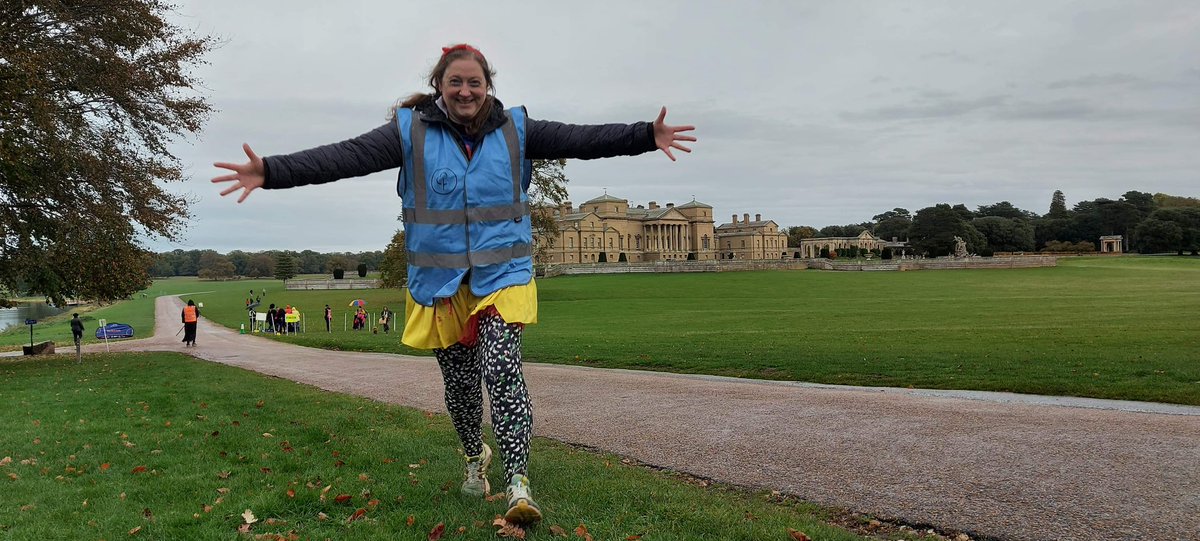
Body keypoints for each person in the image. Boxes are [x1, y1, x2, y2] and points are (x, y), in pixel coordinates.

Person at [212, 43, 695, 525]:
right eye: (456, 82)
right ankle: (473, 455)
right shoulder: (409, 132)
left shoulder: (517, 129)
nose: (466, 90)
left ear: (488, 86)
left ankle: (518, 482)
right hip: (441, 283)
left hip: (502, 275)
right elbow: (343, 157)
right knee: (461, 389)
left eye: (475, 82)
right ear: (439, 86)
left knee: (503, 369)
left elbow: (584, 139)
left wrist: (645, 135)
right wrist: (271, 171)